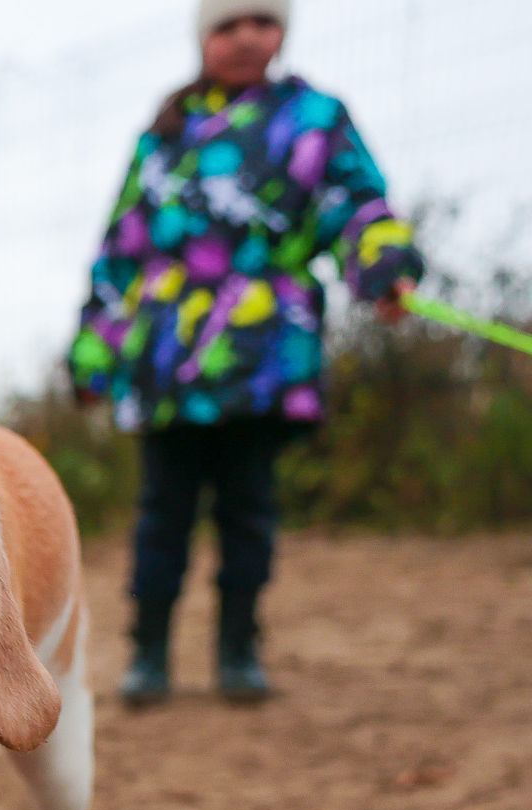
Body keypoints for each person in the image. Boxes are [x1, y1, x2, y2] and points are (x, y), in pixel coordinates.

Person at [69, 0, 423, 706]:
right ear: (204, 37)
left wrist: (382, 266)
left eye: (262, 20)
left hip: (264, 357)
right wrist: (92, 351)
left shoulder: (315, 120)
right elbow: (121, 250)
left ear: (282, 32)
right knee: (162, 510)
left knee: (249, 508)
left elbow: (357, 206)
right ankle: (150, 649)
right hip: (167, 361)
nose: (246, 36)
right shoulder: (164, 136)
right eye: (228, 24)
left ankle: (238, 647)